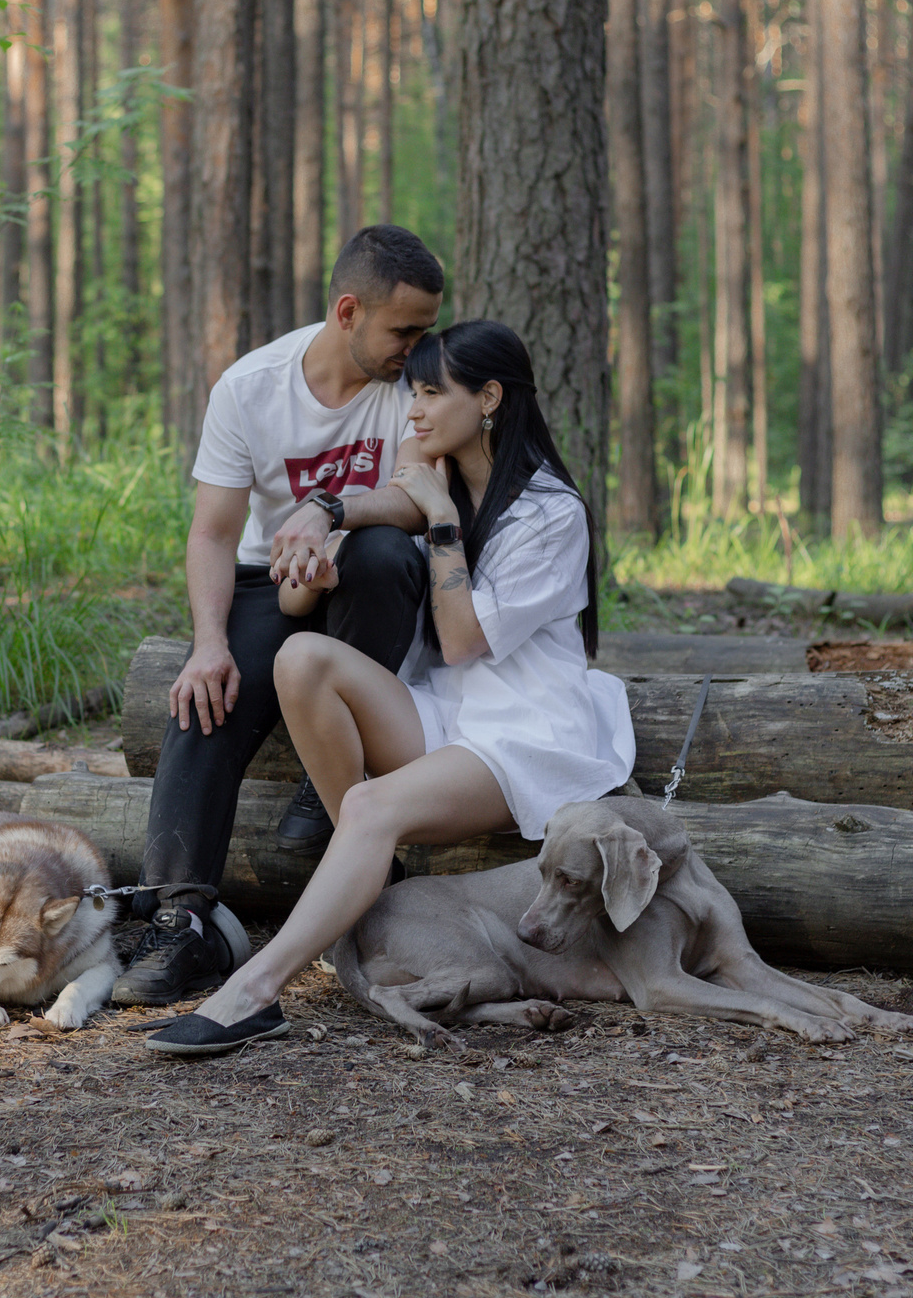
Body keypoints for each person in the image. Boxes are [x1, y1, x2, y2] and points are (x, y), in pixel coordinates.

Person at [143, 318, 635, 1055]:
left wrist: (437, 522)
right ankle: (369, 869)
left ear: (491, 398)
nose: (415, 410)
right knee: (301, 657)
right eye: (415, 392)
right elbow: (289, 610)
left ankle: (253, 992)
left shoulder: (549, 513)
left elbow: (465, 637)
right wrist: (317, 551)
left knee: (370, 804)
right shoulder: (436, 487)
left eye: (433, 393)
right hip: (447, 715)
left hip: (527, 733)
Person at [110, 227, 447, 1007]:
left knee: (384, 553)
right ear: (348, 310)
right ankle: (180, 918)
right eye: (405, 330)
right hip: (269, 581)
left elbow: (415, 498)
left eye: (427, 330)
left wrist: (332, 508)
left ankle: (329, 778)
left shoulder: (416, 390)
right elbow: (215, 534)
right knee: (205, 696)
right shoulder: (251, 387)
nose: (418, 348)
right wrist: (206, 644)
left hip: (368, 576)